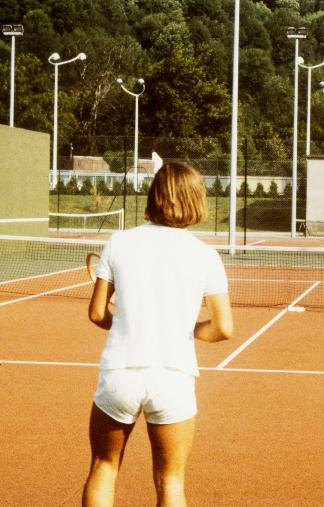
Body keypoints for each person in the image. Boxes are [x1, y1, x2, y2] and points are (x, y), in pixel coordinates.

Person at [83, 162, 234, 507]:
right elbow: (223, 328)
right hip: (173, 377)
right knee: (171, 481)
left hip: (120, 374)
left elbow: (97, 313)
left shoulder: (119, 242)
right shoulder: (206, 256)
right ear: (196, 199)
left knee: (104, 467)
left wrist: (127, 321)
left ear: (154, 195)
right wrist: (188, 327)